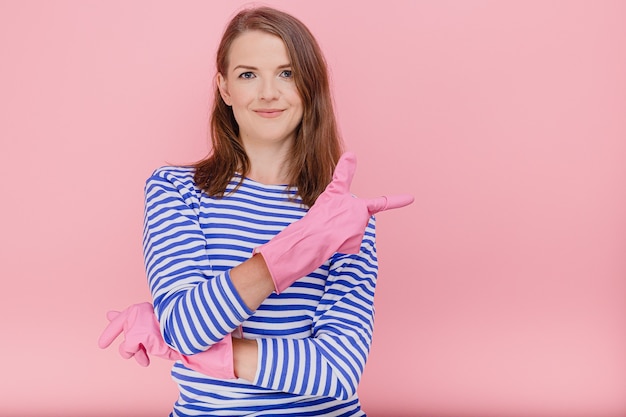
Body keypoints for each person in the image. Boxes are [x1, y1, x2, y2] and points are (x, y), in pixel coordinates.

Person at [98, 6, 413, 416]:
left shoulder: (343, 218)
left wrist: (203, 354)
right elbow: (187, 327)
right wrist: (296, 250)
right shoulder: (175, 189)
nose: (268, 92)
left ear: (310, 87)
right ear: (225, 88)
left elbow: (338, 372)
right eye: (248, 74)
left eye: (287, 73)